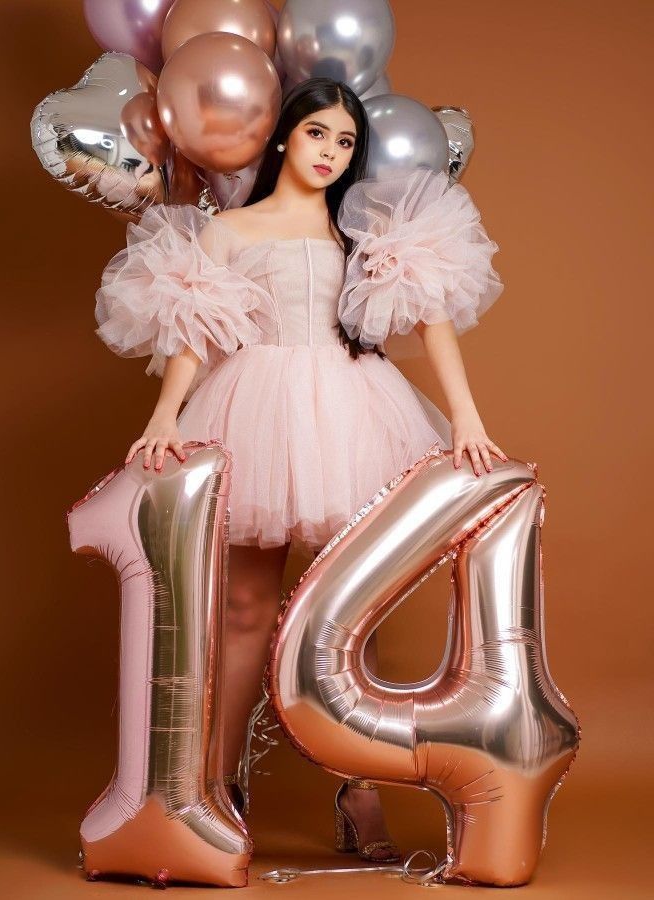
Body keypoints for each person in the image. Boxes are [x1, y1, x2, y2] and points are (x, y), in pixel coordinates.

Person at [93, 76, 508, 862]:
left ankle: (361, 787)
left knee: (351, 612)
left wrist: (465, 416)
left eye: (345, 142)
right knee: (245, 609)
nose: (330, 152)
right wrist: (164, 417)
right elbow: (196, 332)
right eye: (318, 134)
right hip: (255, 407)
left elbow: (434, 319)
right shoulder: (232, 230)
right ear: (285, 136)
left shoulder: (364, 231)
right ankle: (209, 790)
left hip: (354, 415)